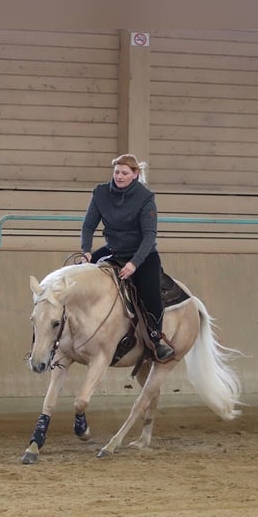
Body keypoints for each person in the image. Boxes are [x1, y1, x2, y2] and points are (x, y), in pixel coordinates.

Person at [80, 153, 175, 361]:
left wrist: (134, 263)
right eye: (116, 172)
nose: (119, 176)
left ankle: (156, 340)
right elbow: (88, 226)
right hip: (113, 249)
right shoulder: (100, 193)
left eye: (124, 173)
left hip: (142, 254)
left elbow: (149, 235)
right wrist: (87, 251)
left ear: (135, 174)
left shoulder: (145, 198)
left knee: (150, 294)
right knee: (81, 273)